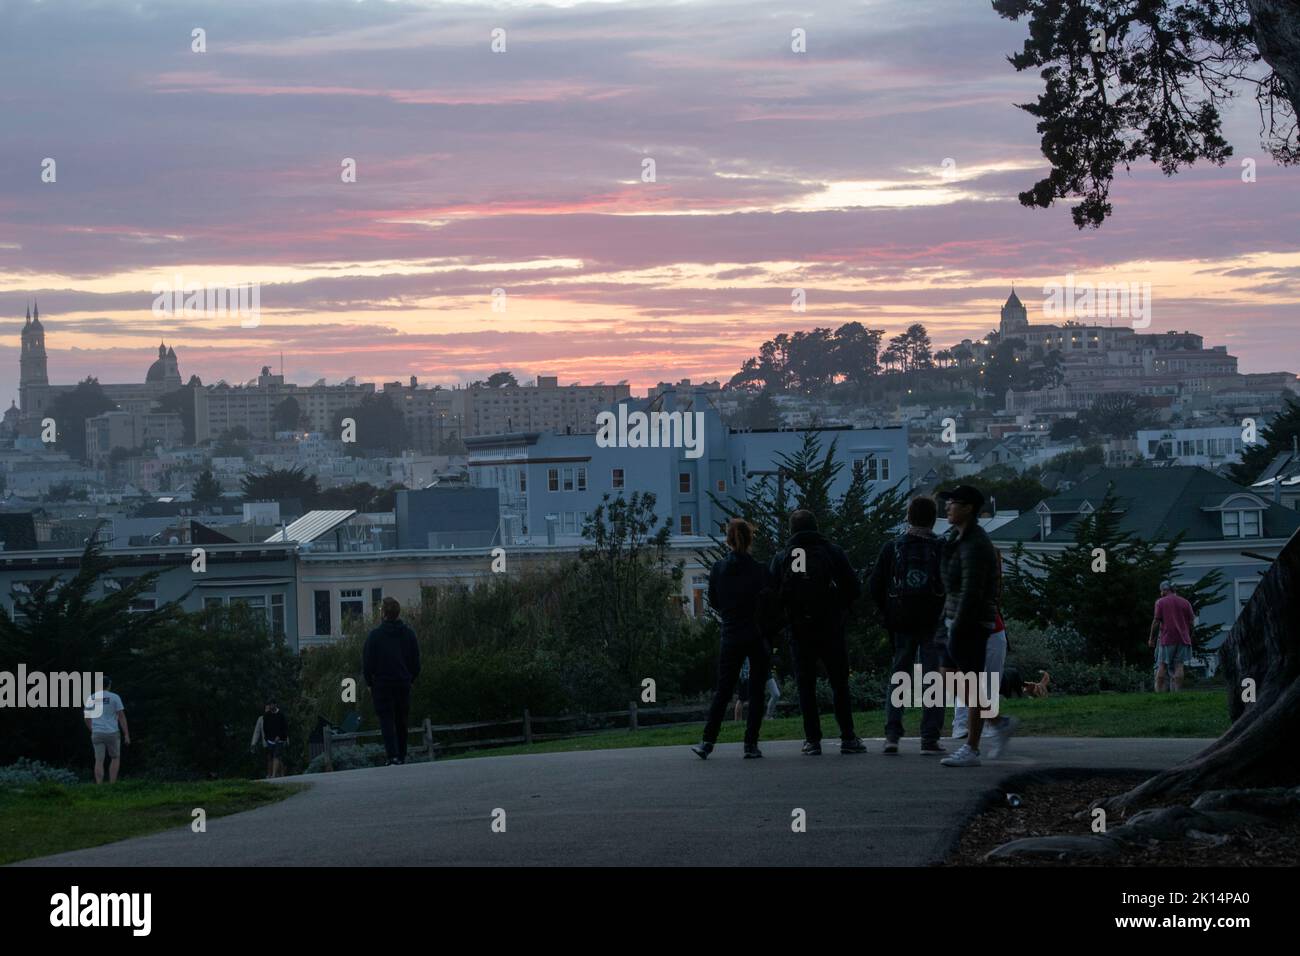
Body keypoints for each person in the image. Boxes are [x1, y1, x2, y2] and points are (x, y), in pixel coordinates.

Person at [769, 509, 867, 755]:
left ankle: (812, 740)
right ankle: (848, 737)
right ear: (816, 526)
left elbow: (771, 596)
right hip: (831, 626)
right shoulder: (833, 552)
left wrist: (785, 621)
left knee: (806, 685)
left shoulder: (783, 557)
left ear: (792, 530)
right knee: (839, 683)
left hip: (799, 629)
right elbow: (854, 588)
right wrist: (839, 608)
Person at [869, 495, 946, 755]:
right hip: (934, 621)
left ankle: (892, 734)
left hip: (901, 621)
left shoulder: (893, 547)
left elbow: (874, 586)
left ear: (908, 517)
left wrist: (888, 612)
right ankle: (930, 738)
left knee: (900, 675)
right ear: (934, 519)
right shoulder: (942, 546)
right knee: (932, 678)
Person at [932, 486, 1002, 768]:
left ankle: (971, 747)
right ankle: (997, 721)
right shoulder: (956, 539)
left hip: (970, 623)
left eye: (953, 503)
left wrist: (957, 627)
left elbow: (972, 592)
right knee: (949, 675)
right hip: (953, 619)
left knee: (970, 681)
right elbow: (950, 584)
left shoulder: (976, 544)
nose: (947, 507)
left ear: (969, 508)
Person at [693, 518, 773, 759]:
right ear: (750, 540)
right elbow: (768, 602)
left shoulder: (719, 569)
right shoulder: (759, 570)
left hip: (731, 633)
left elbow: (714, 601)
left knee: (723, 690)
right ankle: (751, 744)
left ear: (728, 540)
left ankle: (708, 741)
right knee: (757, 691)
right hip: (755, 633)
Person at [949, 546, 1019, 757]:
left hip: (981, 628)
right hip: (984, 628)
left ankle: (972, 727)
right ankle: (982, 725)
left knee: (972, 679)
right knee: (972, 678)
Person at [364, 596, 421, 765]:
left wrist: (369, 682)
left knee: (386, 719)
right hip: (402, 682)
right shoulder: (409, 634)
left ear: (383, 614)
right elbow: (416, 662)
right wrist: (410, 678)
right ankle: (402, 755)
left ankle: (392, 755)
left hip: (382, 684)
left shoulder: (375, 636)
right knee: (402, 719)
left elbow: (367, 663)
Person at [1150, 580, 1195, 692]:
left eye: (1161, 591)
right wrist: (1189, 636)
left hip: (1167, 639)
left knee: (1162, 666)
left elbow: (1156, 621)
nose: (1160, 593)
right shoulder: (1186, 602)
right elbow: (1191, 623)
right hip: (1183, 639)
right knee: (1179, 666)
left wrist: (1151, 638)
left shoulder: (1160, 602)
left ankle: (1159, 693)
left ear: (1165, 590)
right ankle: (1177, 693)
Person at [84, 676, 129, 784]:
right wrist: (126, 734)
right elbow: (121, 717)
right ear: (109, 685)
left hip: (97, 732)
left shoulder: (91, 698)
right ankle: (112, 784)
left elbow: (86, 718)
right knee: (115, 757)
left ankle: (99, 785)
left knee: (99, 760)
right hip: (112, 732)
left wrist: (92, 729)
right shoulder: (115, 697)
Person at [262, 699, 289, 778]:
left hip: (279, 740)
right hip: (270, 740)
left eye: (272, 705)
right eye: (269, 705)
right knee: (270, 757)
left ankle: (274, 774)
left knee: (276, 756)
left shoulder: (281, 715)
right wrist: (267, 738)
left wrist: (280, 736)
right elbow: (265, 728)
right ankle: (273, 773)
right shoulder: (267, 715)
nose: (271, 706)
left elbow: (285, 728)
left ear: (275, 705)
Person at [733, 657, 751, 722]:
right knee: (741, 699)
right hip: (744, 677)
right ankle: (737, 720)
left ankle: (738, 720)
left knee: (742, 699)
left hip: (745, 677)